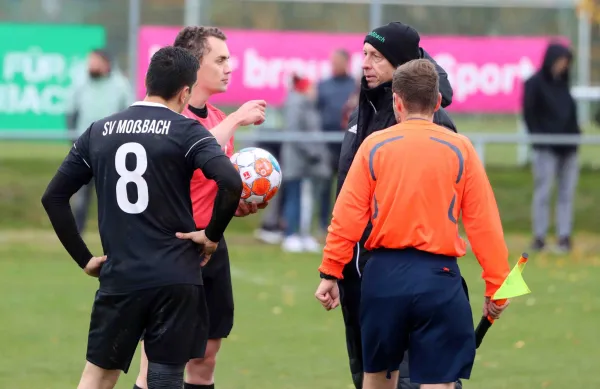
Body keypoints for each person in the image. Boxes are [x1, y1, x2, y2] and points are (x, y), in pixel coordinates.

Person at [41, 46, 242, 389]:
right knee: (164, 377)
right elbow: (231, 181)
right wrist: (210, 235)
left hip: (122, 276)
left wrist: (85, 259)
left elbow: (54, 197)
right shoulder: (186, 131)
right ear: (184, 92)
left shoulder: (99, 131)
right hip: (176, 275)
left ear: (147, 83)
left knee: (98, 377)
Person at [315, 59, 511, 389]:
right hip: (439, 279)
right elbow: (484, 223)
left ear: (397, 102)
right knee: (439, 381)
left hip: (383, 279)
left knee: (377, 378)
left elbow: (346, 217)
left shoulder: (374, 146)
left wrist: (330, 271)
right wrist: (497, 286)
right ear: (437, 102)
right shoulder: (460, 148)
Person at [133, 26, 267, 389]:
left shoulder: (220, 119)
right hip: (173, 249)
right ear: (195, 65)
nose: (229, 67)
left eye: (229, 59)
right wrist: (240, 117)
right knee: (158, 365)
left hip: (212, 245)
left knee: (205, 359)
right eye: (220, 59)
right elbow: (185, 155)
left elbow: (210, 181)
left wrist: (235, 203)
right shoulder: (169, 119)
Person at [334, 22, 462, 389]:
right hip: (358, 269)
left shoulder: (432, 123)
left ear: (401, 62)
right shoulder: (366, 106)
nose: (366, 64)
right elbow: (349, 192)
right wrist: (336, 263)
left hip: (403, 270)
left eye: (377, 56)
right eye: (364, 54)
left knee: (408, 376)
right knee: (367, 373)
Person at [65, 48, 133, 233]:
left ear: (106, 63)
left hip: (112, 148)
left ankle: (115, 231)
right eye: (90, 61)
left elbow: (129, 114)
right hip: (84, 147)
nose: (91, 65)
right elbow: (70, 111)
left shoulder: (120, 85)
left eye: (94, 61)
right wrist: (73, 140)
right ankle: (77, 232)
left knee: (112, 192)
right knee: (80, 193)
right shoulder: (81, 82)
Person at [522, 42, 580, 254]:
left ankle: (564, 235)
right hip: (546, 148)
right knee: (544, 192)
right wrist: (540, 140)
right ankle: (540, 235)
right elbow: (530, 114)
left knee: (566, 192)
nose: (563, 66)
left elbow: (570, 114)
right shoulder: (534, 84)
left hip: (569, 147)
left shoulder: (564, 84)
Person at [280, 74, 331, 252]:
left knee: (306, 200)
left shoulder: (307, 106)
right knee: (294, 198)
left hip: (308, 163)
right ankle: (290, 234)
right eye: (312, 88)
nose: (315, 92)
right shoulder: (296, 104)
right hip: (297, 162)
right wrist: (312, 152)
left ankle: (304, 234)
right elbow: (295, 133)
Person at [315, 49, 357, 233]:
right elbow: (316, 112)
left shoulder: (355, 86)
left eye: (338, 62)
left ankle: (343, 225)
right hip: (326, 145)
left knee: (347, 187)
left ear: (346, 62)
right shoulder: (323, 85)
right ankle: (323, 224)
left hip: (349, 144)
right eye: (332, 62)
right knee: (324, 186)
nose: (334, 65)